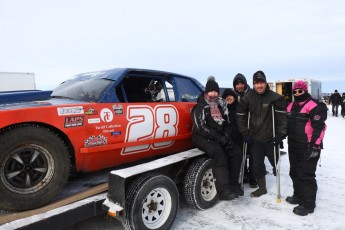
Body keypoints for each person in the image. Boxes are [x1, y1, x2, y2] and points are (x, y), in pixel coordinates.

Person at [236, 70, 287, 198]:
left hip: (271, 138)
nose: (259, 85)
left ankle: (276, 172)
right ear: (253, 84)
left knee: (275, 162)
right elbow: (241, 116)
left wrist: (281, 134)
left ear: (265, 83)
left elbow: (282, 118)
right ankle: (262, 188)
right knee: (257, 165)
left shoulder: (274, 97)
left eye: (262, 82)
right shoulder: (247, 97)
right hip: (255, 139)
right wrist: (244, 133)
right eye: (256, 83)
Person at [191, 77, 243, 200]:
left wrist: (226, 136)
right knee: (219, 153)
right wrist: (220, 139)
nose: (213, 94)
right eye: (211, 91)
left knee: (236, 152)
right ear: (206, 92)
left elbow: (226, 122)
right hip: (202, 137)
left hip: (219, 136)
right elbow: (201, 128)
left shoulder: (220, 105)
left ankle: (233, 184)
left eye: (215, 91)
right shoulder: (200, 107)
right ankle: (223, 190)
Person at [286, 80, 327, 216]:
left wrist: (315, 146)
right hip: (293, 145)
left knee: (306, 175)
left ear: (305, 91)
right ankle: (298, 195)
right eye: (295, 92)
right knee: (295, 172)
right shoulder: (290, 105)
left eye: (300, 91)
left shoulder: (314, 105)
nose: (297, 93)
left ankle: (308, 204)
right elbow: (286, 124)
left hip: (308, 146)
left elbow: (320, 127)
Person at [232, 73, 257, 188]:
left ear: (245, 83)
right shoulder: (232, 95)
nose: (239, 86)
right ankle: (245, 174)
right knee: (241, 154)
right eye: (237, 84)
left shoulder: (252, 94)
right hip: (238, 130)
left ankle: (253, 177)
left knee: (253, 155)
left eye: (241, 83)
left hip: (251, 129)